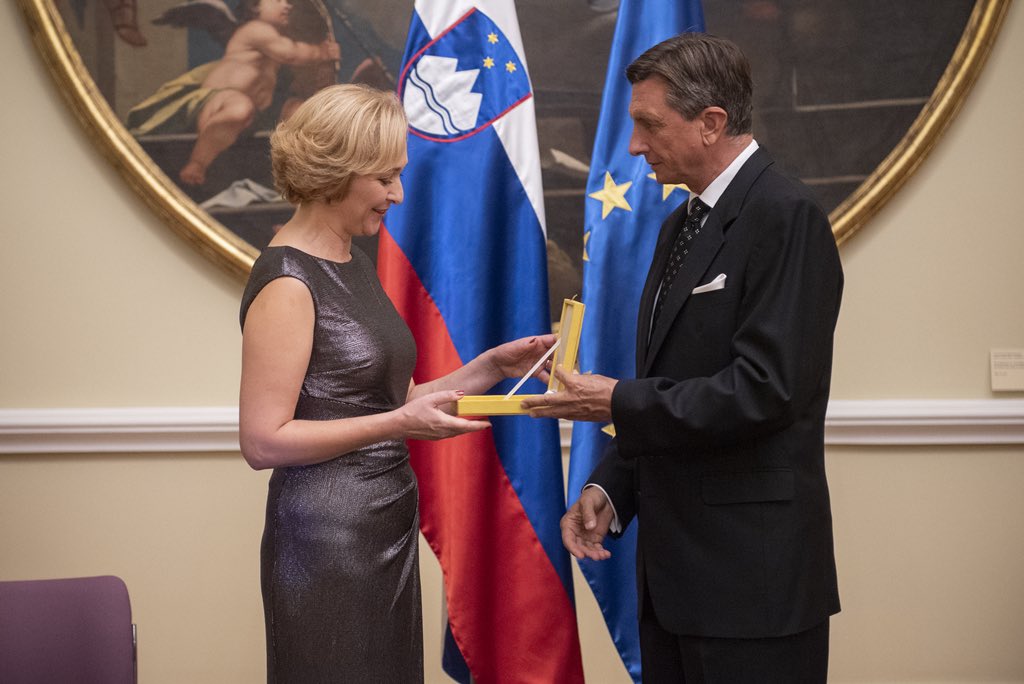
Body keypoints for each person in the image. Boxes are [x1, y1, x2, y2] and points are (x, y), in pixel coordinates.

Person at [522, 33, 843, 682]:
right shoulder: (680, 225)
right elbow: (674, 383)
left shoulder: (786, 216)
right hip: (675, 584)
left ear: (711, 123)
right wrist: (611, 487)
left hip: (751, 587)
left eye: (649, 124)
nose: (634, 146)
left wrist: (616, 400)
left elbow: (767, 389)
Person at [238, 83, 556, 682]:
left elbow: (383, 401)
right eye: (385, 178)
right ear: (337, 170)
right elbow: (263, 440)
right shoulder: (287, 279)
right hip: (325, 543)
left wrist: (490, 367)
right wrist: (397, 424)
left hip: (382, 526)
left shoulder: (350, 259)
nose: (398, 194)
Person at [127, 0, 340, 186]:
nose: (287, 5)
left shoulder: (279, 36)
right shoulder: (256, 29)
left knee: (299, 110)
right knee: (239, 108)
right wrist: (321, 52)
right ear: (255, 7)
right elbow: (290, 54)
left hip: (256, 112)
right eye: (277, 0)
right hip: (219, 100)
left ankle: (306, 170)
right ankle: (198, 163)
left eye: (287, 1)